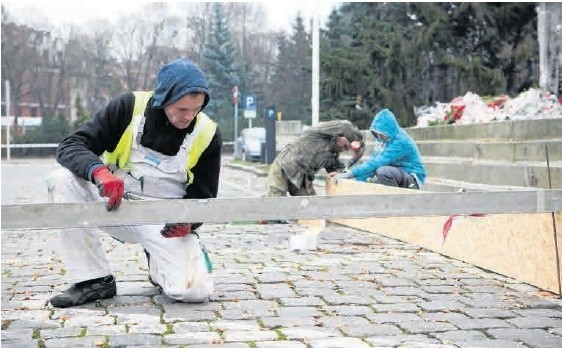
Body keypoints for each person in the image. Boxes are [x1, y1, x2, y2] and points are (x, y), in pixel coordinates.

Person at [46, 58, 222, 308]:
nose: (189, 117)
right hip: (115, 204)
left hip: (162, 222)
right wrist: (99, 172)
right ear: (163, 99)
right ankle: (93, 280)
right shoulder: (129, 107)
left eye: (196, 109)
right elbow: (70, 145)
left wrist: (189, 222)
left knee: (194, 291)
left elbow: (204, 195)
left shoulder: (208, 133)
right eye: (182, 109)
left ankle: (159, 267)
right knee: (61, 180)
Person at [266, 120, 365, 198]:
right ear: (340, 136)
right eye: (344, 145)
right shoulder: (319, 134)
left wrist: (351, 162)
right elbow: (345, 126)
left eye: (345, 149)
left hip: (302, 178)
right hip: (285, 166)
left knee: (311, 208)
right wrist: (357, 140)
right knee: (275, 203)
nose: (343, 149)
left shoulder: (332, 157)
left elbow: (339, 171)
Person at [331, 108, 426, 189]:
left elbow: (376, 163)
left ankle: (393, 202)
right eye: (377, 134)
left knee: (384, 172)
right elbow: (372, 162)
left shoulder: (401, 141)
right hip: (397, 174)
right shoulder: (382, 140)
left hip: (412, 178)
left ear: (389, 130)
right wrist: (356, 180)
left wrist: (351, 173)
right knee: (375, 175)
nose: (379, 137)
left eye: (381, 134)